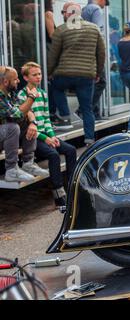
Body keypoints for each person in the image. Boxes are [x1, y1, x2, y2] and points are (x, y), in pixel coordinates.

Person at [18, 62, 77, 209]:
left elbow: (46, 119)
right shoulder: (22, 96)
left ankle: (72, 187)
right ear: (26, 78)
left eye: (39, 74)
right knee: (53, 155)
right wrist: (46, 138)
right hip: (31, 138)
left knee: (70, 150)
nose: (38, 77)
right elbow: (27, 125)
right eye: (34, 74)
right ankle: (59, 196)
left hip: (46, 135)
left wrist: (52, 136)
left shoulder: (43, 93)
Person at [47, 2, 106, 146]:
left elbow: (53, 55)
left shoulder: (61, 30)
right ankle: (89, 139)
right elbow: (101, 53)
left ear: (68, 13)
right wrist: (97, 72)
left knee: (57, 87)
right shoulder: (94, 29)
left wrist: (49, 72)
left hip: (64, 73)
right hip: (86, 75)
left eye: (62, 12)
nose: (62, 15)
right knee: (87, 108)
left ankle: (65, 118)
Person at [0, 66, 48, 182]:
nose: (18, 81)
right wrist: (31, 97)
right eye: (15, 79)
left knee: (26, 123)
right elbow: (19, 113)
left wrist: (33, 123)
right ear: (6, 82)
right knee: (13, 127)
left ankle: (28, 164)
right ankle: (11, 170)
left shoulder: (11, 94)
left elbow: (26, 111)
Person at [81, 0, 110, 121]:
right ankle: (84, 110)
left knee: (93, 83)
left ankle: (95, 113)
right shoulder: (96, 9)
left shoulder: (84, 10)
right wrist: (101, 51)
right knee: (101, 81)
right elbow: (97, 32)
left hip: (85, 51)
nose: (105, 5)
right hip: (93, 51)